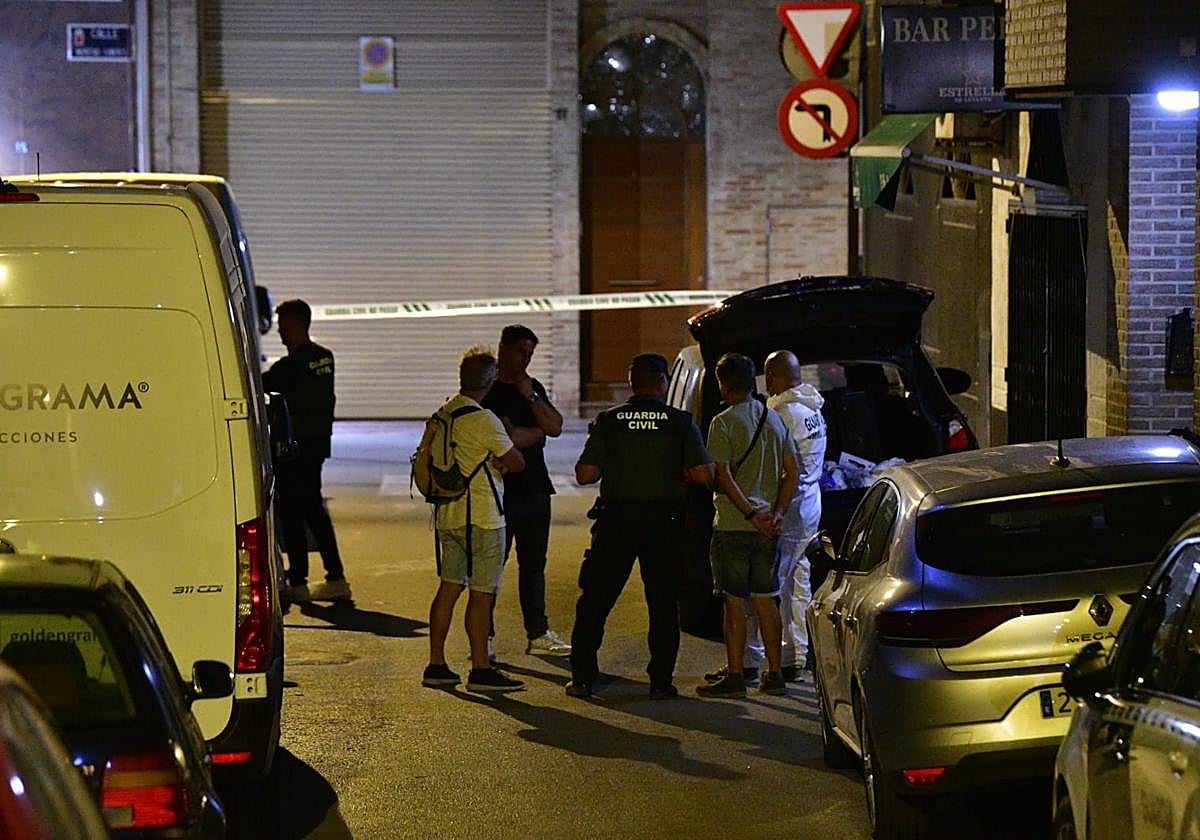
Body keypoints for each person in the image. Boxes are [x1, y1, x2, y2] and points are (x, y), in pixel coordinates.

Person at [566, 354, 714, 699]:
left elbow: (585, 474)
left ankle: (583, 678)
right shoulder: (680, 422)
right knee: (663, 604)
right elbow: (705, 475)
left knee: (595, 601)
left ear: (631, 382)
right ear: (663, 382)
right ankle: (661, 682)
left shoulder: (610, 420)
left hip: (616, 522)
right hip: (665, 524)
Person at [422, 347, 527, 692]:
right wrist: (504, 460)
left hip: (448, 516)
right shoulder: (484, 419)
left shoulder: (442, 414)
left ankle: (436, 664)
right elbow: (515, 461)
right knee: (482, 595)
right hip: (483, 517)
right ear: (491, 380)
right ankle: (481, 668)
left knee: (449, 588)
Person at [697, 353, 798, 699]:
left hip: (733, 526)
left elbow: (722, 474)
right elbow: (792, 472)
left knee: (734, 602)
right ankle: (773, 674)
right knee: (767, 600)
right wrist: (777, 514)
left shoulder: (722, 422)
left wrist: (750, 514)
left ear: (722, 384)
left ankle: (737, 674)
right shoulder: (774, 419)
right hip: (769, 528)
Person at [481, 325, 571, 658]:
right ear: (502, 348)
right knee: (492, 569)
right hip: (501, 493)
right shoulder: (488, 390)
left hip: (536, 489)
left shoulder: (531, 388)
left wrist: (530, 397)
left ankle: (538, 633)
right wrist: (531, 433)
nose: (526, 359)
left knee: (534, 566)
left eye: (531, 353)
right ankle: (484, 638)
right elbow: (507, 438)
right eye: (521, 351)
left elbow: (555, 427)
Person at [262, 299, 350, 603]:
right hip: (316, 444)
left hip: (292, 448)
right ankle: (333, 575)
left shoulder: (289, 367)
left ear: (296, 324)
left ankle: (299, 580)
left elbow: (263, 385)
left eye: (283, 325)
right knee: (312, 507)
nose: (280, 331)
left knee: (294, 510)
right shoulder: (325, 358)